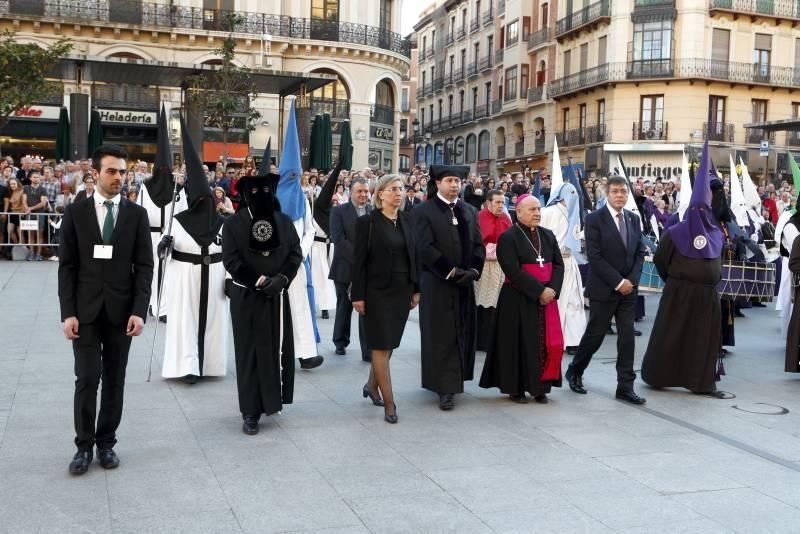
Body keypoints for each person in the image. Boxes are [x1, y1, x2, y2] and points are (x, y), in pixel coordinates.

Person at [58, 144, 154, 475]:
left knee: (115, 379)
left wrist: (140, 311)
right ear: (95, 174)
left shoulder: (136, 215)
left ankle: (106, 443)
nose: (118, 177)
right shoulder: (75, 213)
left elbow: (144, 267)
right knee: (87, 378)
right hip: (84, 312)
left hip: (121, 312)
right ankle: (83, 446)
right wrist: (67, 313)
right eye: (111, 171)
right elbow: (67, 267)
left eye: (122, 171)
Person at [641, 142, 726, 395]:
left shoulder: (715, 233)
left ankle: (701, 382)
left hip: (706, 295)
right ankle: (659, 375)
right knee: (671, 336)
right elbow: (660, 258)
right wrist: (675, 280)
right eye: (697, 209)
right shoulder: (676, 232)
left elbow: (717, 261)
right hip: (678, 292)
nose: (701, 214)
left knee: (702, 340)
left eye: (705, 209)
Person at [223, 167, 302, 434]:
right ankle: (250, 411)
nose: (261, 195)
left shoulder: (283, 221)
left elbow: (295, 254)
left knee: (273, 349)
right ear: (245, 194)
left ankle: (271, 401)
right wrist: (258, 280)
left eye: (266, 190)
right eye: (254, 191)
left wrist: (282, 279)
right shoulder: (233, 224)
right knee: (249, 352)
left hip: (277, 295)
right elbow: (231, 260)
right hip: (247, 295)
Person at [564, 175, 647, 405]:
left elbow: (640, 252)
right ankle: (575, 370)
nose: (620, 195)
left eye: (623, 191)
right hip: (604, 288)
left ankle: (625, 386)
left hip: (629, 290)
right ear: (607, 194)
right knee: (595, 335)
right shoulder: (594, 219)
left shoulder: (633, 218)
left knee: (627, 337)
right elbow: (595, 257)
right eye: (615, 192)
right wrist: (618, 282)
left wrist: (631, 280)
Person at [159, 121, 228, 384]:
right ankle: (187, 365)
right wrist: (163, 246)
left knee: (212, 321)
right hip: (186, 277)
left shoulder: (221, 223)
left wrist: (230, 280)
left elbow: (229, 253)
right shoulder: (178, 220)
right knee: (186, 321)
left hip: (214, 278)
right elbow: (165, 250)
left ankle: (209, 364)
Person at [479, 195, 564, 403]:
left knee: (543, 344)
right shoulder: (508, 237)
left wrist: (552, 289)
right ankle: (515, 388)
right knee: (517, 344)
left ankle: (540, 387)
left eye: (538, 209)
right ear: (518, 212)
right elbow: (513, 270)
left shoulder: (548, 235)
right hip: (517, 298)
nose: (537, 213)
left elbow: (558, 264)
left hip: (546, 299)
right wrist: (539, 291)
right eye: (532, 210)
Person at [414, 164, 485, 410]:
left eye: (458, 181)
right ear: (438, 183)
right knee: (441, 334)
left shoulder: (469, 211)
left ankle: (456, 380)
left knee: (462, 331)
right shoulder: (424, 211)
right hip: (437, 283)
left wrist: (474, 270)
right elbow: (424, 247)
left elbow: (478, 244)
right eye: (450, 181)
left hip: (464, 283)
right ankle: (443, 387)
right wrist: (450, 271)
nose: (455, 185)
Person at [351, 175, 419, 424]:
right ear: (380, 194)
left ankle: (371, 385)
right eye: (393, 189)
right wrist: (357, 295)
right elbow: (358, 261)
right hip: (376, 291)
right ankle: (389, 404)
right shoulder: (367, 223)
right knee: (379, 346)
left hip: (402, 291)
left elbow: (415, 255)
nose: (398, 193)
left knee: (389, 345)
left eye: (401, 189)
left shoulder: (408, 220)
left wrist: (416, 288)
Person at [276, 98, 323, 370]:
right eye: (289, 173)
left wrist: (302, 251)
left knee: (302, 307)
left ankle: (306, 353)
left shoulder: (304, 199)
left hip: (298, 261)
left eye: (297, 173)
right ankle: (280, 350)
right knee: (280, 310)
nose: (294, 177)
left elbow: (309, 229)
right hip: (276, 262)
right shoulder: (271, 197)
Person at [539, 183, 587, 353]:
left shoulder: (575, 215)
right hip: (553, 263)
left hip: (570, 262)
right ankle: (555, 337)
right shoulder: (547, 213)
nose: (574, 197)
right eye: (571, 194)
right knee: (557, 301)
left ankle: (573, 340)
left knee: (574, 302)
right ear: (562, 196)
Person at [329, 177, 372, 360]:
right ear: (351, 192)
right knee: (344, 306)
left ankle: (367, 350)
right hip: (345, 266)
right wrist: (359, 258)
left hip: (369, 269)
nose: (362, 194)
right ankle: (340, 341)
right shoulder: (339, 211)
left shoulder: (373, 211)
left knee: (367, 309)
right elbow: (338, 239)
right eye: (359, 191)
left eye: (365, 191)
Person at [474, 189, 511, 351]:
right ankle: (478, 340)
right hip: (483, 265)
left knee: (496, 302)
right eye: (497, 202)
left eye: (503, 202)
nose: (501, 206)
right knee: (480, 303)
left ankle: (492, 339)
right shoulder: (479, 217)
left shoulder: (505, 218)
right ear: (488, 202)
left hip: (499, 267)